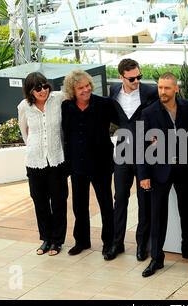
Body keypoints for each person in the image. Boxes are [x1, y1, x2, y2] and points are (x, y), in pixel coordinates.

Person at [138, 72, 188, 277]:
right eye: (160, 87)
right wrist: (143, 176)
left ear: (176, 89)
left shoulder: (185, 106)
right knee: (158, 214)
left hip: (183, 168)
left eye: (166, 88)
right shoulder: (149, 112)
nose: (162, 92)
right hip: (158, 171)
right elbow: (141, 146)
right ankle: (157, 258)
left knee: (186, 209)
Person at [104, 59, 158, 261]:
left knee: (144, 199)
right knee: (120, 199)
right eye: (132, 78)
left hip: (145, 153)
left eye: (139, 77)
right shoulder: (114, 90)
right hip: (123, 150)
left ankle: (141, 245)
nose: (137, 81)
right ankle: (117, 244)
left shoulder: (150, 93)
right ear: (121, 77)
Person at [61, 69, 119, 256]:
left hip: (101, 164)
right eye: (80, 88)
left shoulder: (104, 104)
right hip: (77, 165)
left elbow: (123, 122)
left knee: (105, 205)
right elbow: (66, 135)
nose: (86, 90)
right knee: (79, 205)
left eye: (87, 85)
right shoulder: (66, 107)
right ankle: (82, 241)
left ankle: (109, 242)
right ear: (72, 90)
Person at [17, 72, 68, 256]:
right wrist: (35, 148)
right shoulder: (24, 107)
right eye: (38, 88)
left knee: (59, 201)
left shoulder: (58, 98)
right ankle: (46, 238)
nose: (43, 90)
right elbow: (25, 132)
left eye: (45, 86)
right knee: (40, 202)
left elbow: (75, 92)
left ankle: (57, 240)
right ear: (30, 91)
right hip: (34, 161)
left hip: (56, 160)